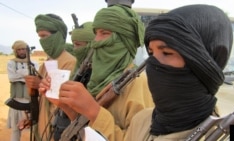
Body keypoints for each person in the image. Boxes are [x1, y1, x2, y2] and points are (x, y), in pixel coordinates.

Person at [39, 4, 154, 141]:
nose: (96, 41)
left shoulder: (138, 83)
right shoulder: (98, 80)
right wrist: (65, 105)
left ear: (125, 39)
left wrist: (95, 112)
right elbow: (85, 129)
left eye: (104, 33)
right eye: (96, 33)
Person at [125, 4, 233, 141]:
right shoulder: (141, 121)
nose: (153, 64)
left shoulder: (225, 134)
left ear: (204, 64)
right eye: (151, 53)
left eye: (166, 53)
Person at [22, 13, 76, 141]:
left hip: (56, 128)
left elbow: (65, 103)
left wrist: (40, 83)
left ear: (58, 35)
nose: (42, 41)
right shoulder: (47, 63)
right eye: (39, 37)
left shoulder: (69, 62)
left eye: (44, 36)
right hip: (42, 126)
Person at [6, 40, 39, 141]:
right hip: (16, 100)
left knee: (36, 128)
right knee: (16, 130)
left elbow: (35, 78)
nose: (21, 51)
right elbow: (11, 77)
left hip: (31, 100)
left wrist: (19, 74)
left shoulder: (34, 63)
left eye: (23, 49)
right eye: (19, 49)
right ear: (16, 51)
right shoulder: (11, 63)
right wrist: (26, 76)